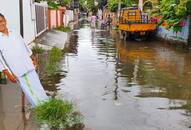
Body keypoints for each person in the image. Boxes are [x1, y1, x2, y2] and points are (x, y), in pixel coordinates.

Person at [0, 13, 48, 107]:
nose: (0, 24)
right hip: (19, 71)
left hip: (29, 65)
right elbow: (0, 61)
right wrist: (8, 74)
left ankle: (47, 105)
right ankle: (42, 110)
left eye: (1, 21)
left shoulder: (14, 32)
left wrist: (33, 59)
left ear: (5, 21)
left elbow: (25, 46)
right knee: (31, 92)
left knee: (38, 87)